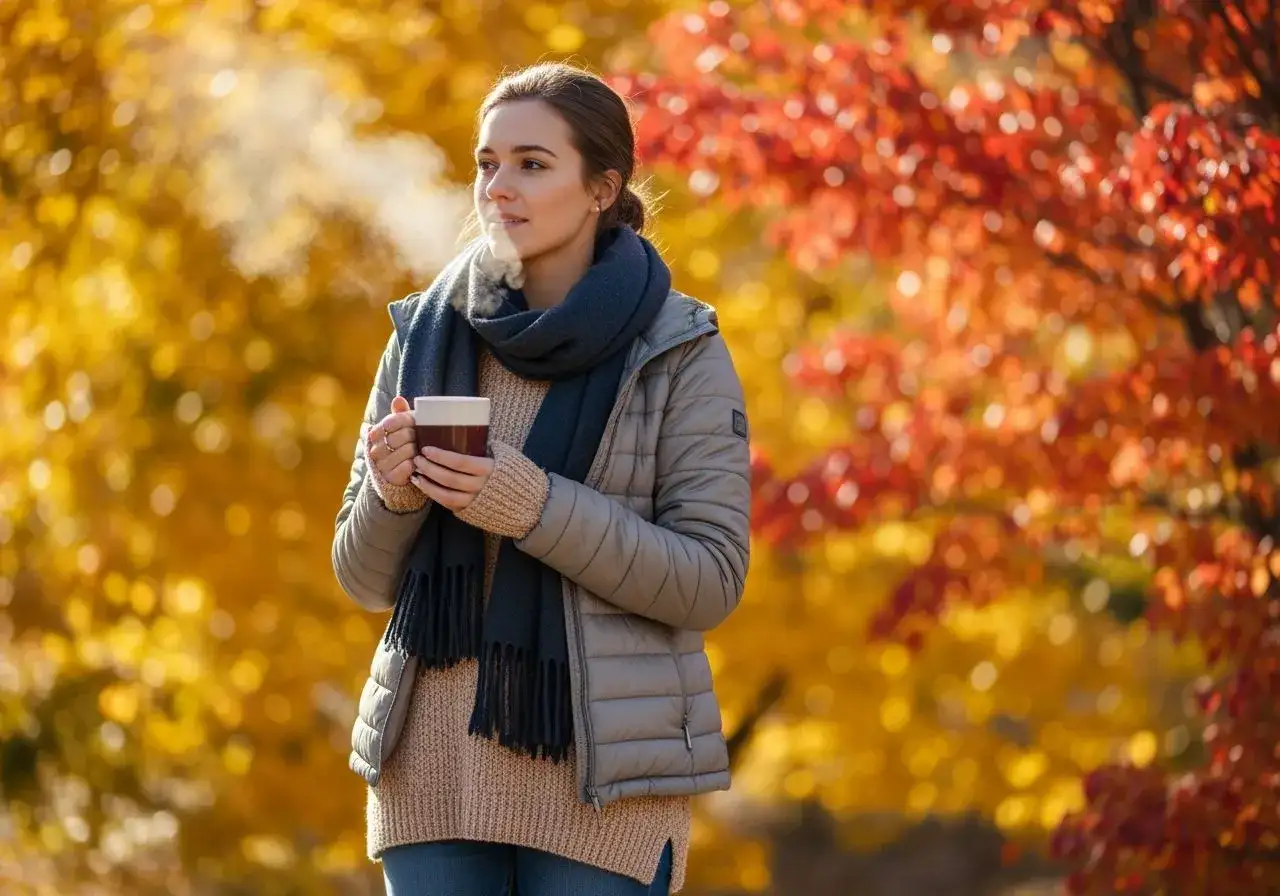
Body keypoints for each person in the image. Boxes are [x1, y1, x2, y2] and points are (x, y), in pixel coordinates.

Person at [331, 61, 752, 896]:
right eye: (487, 164)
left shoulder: (680, 350)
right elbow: (362, 579)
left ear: (603, 187)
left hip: (600, 796)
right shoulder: (422, 335)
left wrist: (533, 506)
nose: (499, 187)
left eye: (532, 164)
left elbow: (709, 580)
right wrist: (393, 495)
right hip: (432, 779)